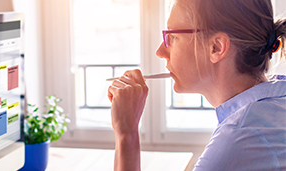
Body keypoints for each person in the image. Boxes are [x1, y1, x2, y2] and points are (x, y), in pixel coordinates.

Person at [107, 0, 286, 170]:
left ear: (216, 47)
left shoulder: (239, 138)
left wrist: (126, 134)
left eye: (172, 37)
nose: (160, 51)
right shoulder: (276, 101)